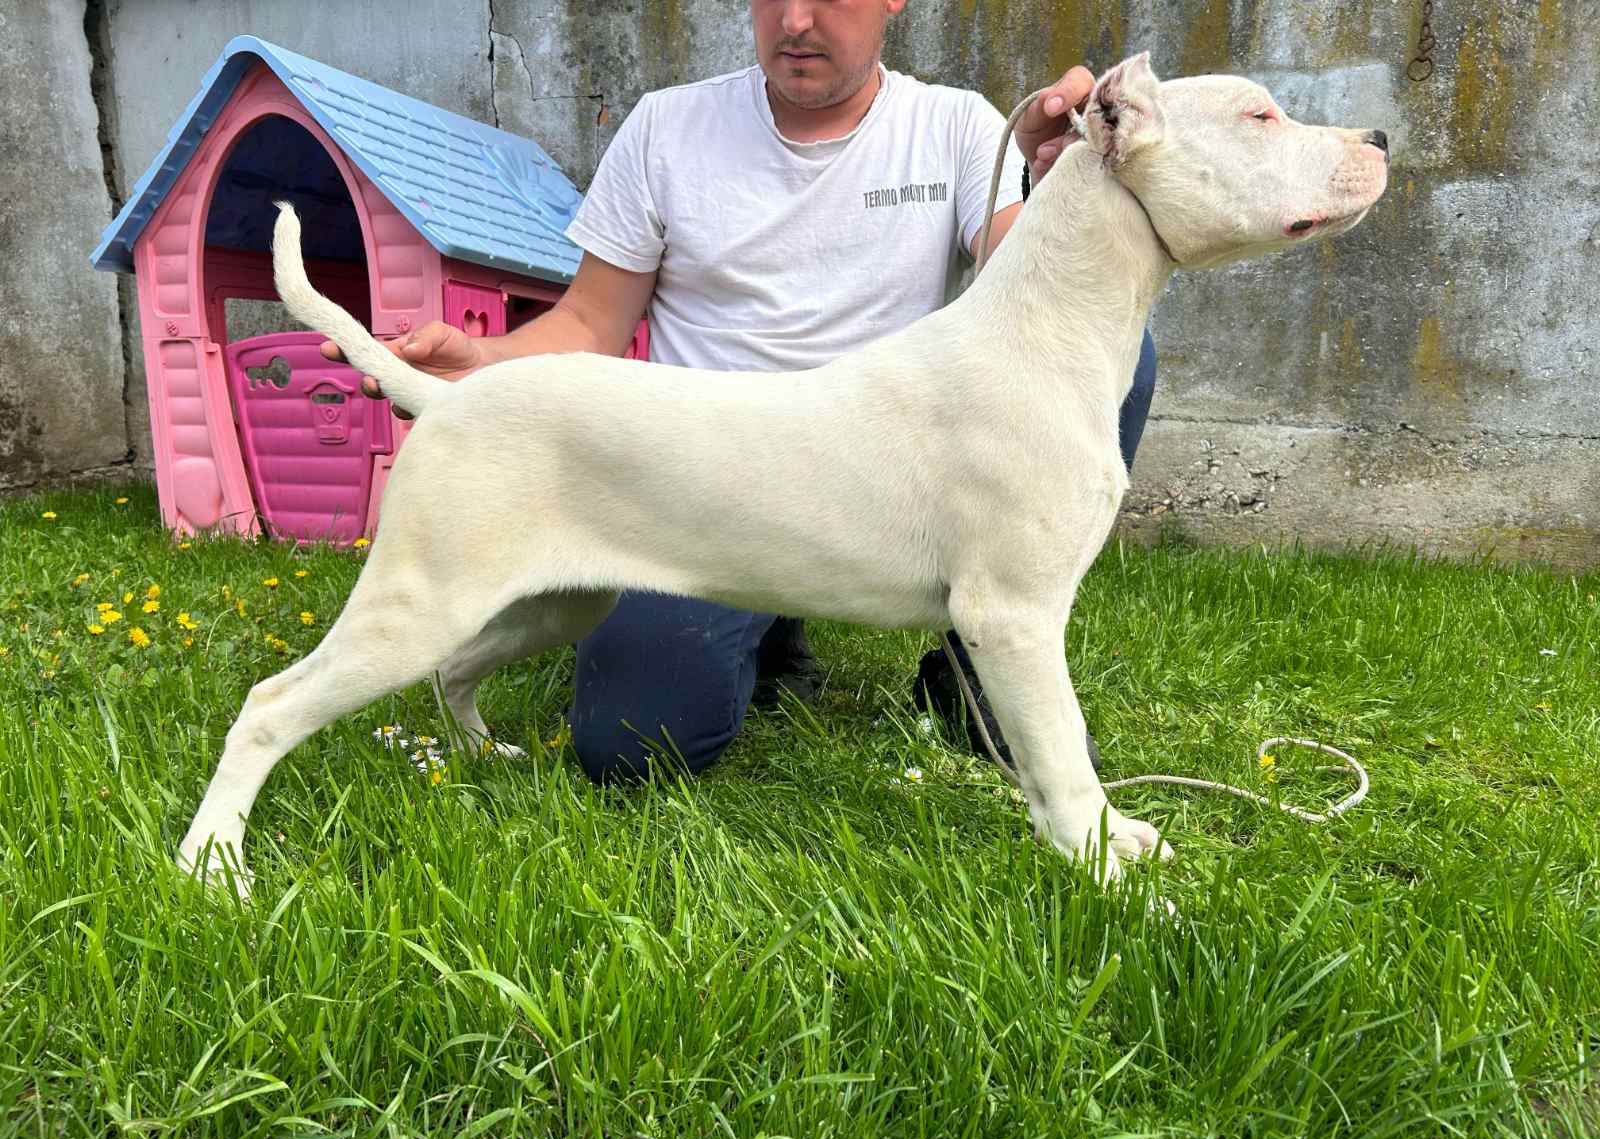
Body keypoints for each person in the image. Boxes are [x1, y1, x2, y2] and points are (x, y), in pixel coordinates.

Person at [323, 0, 1155, 782]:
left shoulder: (959, 128)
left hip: (881, 485)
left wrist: (1059, 189)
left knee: (1112, 356)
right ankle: (765, 629)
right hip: (704, 486)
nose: (795, 21)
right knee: (633, 748)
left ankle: (979, 648)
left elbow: (1033, 310)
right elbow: (587, 324)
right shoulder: (665, 127)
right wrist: (483, 366)